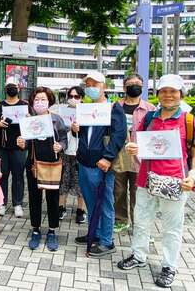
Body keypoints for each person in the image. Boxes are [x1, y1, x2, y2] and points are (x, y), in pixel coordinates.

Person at [118, 74, 195, 288]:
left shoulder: (188, 121)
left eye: (173, 91)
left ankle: (169, 266)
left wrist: (194, 176)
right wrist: (133, 148)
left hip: (175, 181)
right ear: (157, 94)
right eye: (163, 91)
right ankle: (138, 256)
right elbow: (142, 145)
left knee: (172, 227)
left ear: (180, 94)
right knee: (141, 220)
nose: (168, 95)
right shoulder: (149, 118)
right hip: (146, 179)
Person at [72, 71, 126, 257]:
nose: (91, 88)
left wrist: (108, 157)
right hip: (84, 162)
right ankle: (94, 233)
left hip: (102, 165)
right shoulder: (86, 108)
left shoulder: (113, 108)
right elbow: (83, 135)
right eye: (88, 85)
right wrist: (75, 130)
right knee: (91, 201)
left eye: (95, 84)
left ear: (103, 86)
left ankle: (106, 241)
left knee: (105, 203)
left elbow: (119, 135)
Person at [17, 87, 67, 252]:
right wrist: (22, 143)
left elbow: (65, 140)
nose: (40, 102)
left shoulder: (57, 120)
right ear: (32, 102)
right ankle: (36, 229)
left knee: (53, 198)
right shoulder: (28, 120)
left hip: (52, 165)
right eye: (36, 99)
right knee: (34, 198)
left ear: (49, 101)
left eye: (43, 99)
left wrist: (60, 146)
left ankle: (52, 230)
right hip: (33, 165)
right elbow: (24, 143)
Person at [113, 74, 156, 233]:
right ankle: (120, 219)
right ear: (124, 88)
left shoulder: (150, 109)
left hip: (141, 155)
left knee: (138, 192)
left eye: (138, 84)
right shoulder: (115, 107)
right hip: (120, 154)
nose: (134, 86)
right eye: (131, 84)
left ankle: (138, 223)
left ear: (143, 87)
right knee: (119, 190)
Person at [0, 82, 28, 218]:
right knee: (2, 176)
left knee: (18, 176)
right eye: (9, 86)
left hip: (19, 147)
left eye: (14, 86)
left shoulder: (25, 105)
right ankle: (2, 203)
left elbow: (33, 123)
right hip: (2, 147)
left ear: (18, 89)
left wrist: (28, 119)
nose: (12, 89)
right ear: (5, 89)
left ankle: (17, 204)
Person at [59, 86, 87, 224]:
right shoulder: (61, 112)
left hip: (80, 152)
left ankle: (81, 210)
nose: (73, 99)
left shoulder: (87, 112)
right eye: (71, 96)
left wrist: (79, 129)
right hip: (64, 151)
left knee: (80, 182)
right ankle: (61, 207)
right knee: (63, 180)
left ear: (82, 98)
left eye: (76, 97)